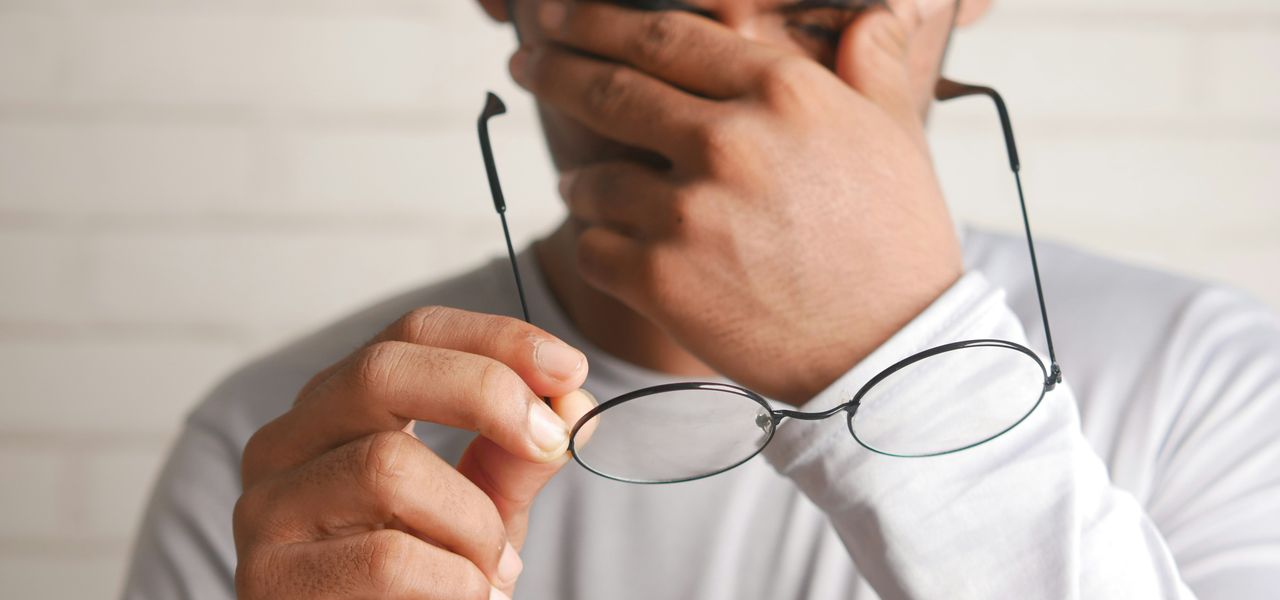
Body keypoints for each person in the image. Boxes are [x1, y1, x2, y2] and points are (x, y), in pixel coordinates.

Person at [122, 0, 1280, 598]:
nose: (736, 76)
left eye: (818, 18)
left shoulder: (1211, 388)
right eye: (651, 4)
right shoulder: (295, 453)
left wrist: (898, 354)